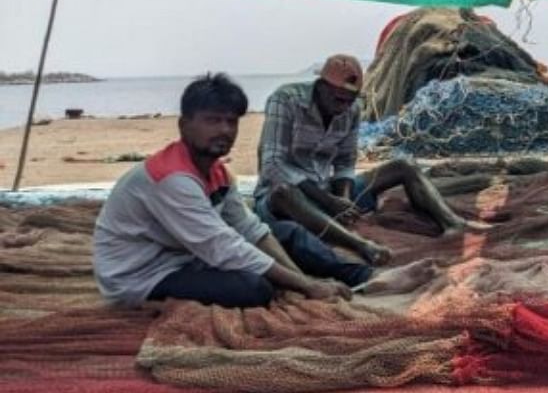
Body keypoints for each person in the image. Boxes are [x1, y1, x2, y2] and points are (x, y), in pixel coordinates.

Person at [93, 74, 365, 308]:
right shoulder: (172, 178)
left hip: (185, 255)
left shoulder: (217, 172)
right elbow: (224, 247)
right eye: (212, 121)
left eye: (231, 121)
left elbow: (249, 228)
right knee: (255, 288)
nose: (224, 130)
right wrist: (305, 285)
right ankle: (316, 280)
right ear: (184, 125)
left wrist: (303, 283)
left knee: (286, 233)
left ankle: (360, 275)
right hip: (142, 276)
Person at [254, 54, 486, 266]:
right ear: (321, 87)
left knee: (404, 166)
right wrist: (327, 200)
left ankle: (452, 223)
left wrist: (343, 199)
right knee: (282, 192)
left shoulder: (352, 109)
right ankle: (361, 245)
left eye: (349, 100)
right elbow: (273, 164)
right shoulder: (285, 99)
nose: (343, 107)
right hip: (292, 197)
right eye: (338, 100)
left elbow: (345, 161)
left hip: (328, 192)